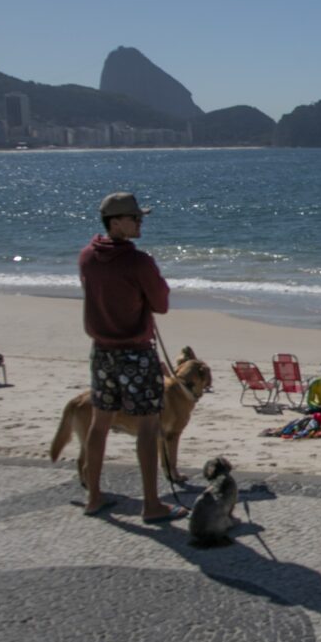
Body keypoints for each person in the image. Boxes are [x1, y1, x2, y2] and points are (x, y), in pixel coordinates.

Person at [77, 191, 180, 522]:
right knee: (148, 426)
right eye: (135, 218)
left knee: (100, 423)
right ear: (116, 222)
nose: (140, 223)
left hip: (101, 351)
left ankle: (94, 496)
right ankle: (152, 504)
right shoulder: (138, 262)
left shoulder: (87, 256)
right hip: (135, 352)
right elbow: (161, 304)